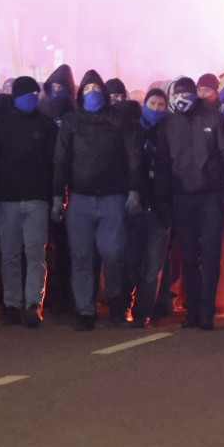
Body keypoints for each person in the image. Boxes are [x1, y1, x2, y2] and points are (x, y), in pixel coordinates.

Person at [53, 69, 141, 330]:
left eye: (96, 88)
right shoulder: (71, 122)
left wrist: (134, 190)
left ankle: (114, 298)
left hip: (113, 197)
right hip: (80, 198)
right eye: (87, 88)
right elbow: (60, 160)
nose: (92, 92)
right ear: (80, 93)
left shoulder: (120, 120)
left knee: (112, 253)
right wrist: (58, 196)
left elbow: (133, 157)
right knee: (81, 256)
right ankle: (85, 310)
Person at [157, 77, 224, 330]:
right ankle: (193, 309)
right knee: (190, 256)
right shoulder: (168, 123)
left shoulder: (214, 118)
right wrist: (163, 198)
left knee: (211, 255)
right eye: (178, 94)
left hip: (210, 197)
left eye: (187, 93)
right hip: (182, 197)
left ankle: (206, 310)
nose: (183, 98)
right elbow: (162, 163)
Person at [0, 75, 57, 327]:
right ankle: (13, 304)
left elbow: (54, 165)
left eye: (36, 94)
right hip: (9, 199)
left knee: (33, 254)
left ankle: (32, 304)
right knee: (12, 255)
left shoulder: (45, 126)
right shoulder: (0, 125)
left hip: (34, 199)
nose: (33, 98)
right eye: (29, 94)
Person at [126, 87, 177, 325]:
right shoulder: (132, 128)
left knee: (154, 265)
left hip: (160, 208)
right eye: (152, 103)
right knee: (132, 261)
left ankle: (143, 312)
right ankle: (129, 303)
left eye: (161, 105)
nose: (156, 109)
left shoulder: (171, 131)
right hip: (135, 206)